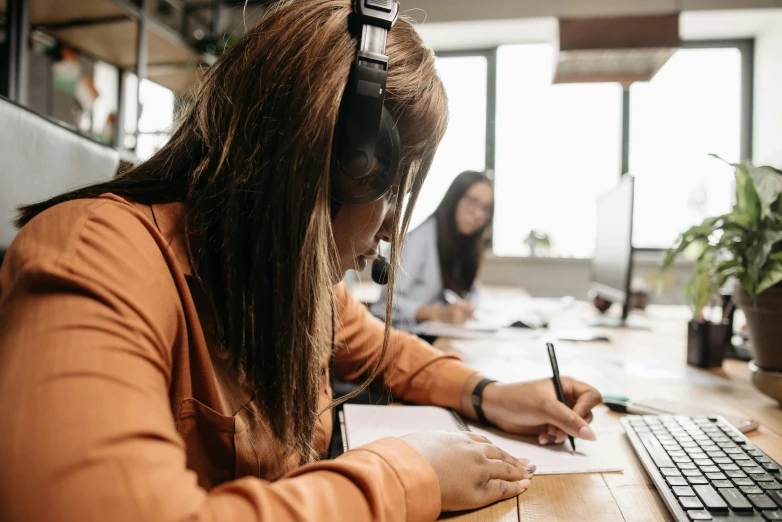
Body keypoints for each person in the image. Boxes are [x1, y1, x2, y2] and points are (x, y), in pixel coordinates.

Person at [0, 2, 601, 521]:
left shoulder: (296, 278)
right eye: (389, 191)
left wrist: (487, 394)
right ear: (333, 164)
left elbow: (385, 349)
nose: (393, 232)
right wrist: (404, 474)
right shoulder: (97, 256)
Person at [371, 170, 494, 329]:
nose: (478, 214)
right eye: (472, 201)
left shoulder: (465, 243)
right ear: (455, 198)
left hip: (438, 334)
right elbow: (384, 305)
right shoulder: (419, 238)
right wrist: (434, 313)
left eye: (486, 208)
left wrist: (467, 306)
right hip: (401, 337)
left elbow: (471, 291)